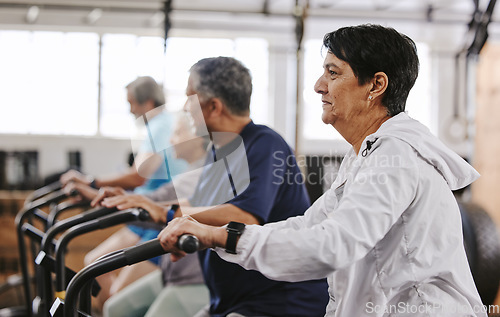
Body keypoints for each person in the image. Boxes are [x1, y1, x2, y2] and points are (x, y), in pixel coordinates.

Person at [157, 25, 486, 317]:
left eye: (333, 73)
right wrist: (215, 236)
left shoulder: (396, 156)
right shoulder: (363, 157)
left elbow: (332, 245)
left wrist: (218, 234)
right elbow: (307, 226)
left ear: (375, 86)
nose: (318, 85)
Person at [100, 56, 329, 317]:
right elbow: (199, 206)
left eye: (190, 97)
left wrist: (166, 214)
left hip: (278, 301)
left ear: (214, 107)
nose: (185, 107)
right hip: (230, 298)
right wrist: (151, 205)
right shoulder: (219, 150)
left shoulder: (266, 145)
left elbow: (245, 217)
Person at [60, 76, 188, 309]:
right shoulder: (162, 124)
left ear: (148, 103)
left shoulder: (159, 126)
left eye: (132, 104)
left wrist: (91, 182)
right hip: (144, 210)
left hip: (158, 216)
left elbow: (138, 175)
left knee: (113, 288)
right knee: (94, 265)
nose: (130, 111)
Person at [94, 113, 210, 317]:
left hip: (196, 277)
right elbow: (155, 198)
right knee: (114, 308)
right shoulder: (189, 173)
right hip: (173, 271)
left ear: (198, 138)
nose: (171, 140)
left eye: (177, 133)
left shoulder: (205, 175)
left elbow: (158, 201)